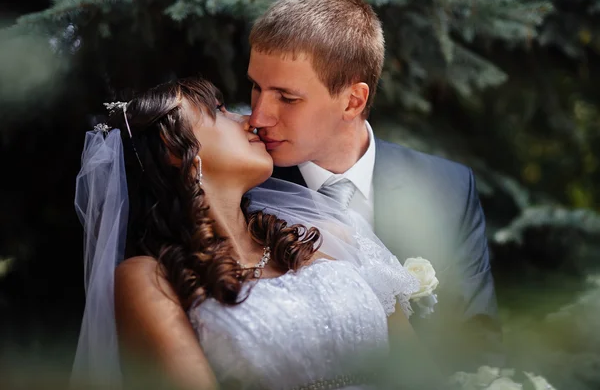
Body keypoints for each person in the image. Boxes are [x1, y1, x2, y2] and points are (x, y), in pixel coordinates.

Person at [72, 77, 441, 390]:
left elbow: (421, 374)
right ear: (174, 146)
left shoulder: (330, 235)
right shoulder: (148, 280)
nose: (249, 120)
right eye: (219, 111)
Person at [247, 0, 504, 371]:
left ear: (352, 101)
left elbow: (476, 347)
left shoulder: (448, 188)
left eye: (286, 97)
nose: (258, 116)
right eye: (256, 87)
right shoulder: (244, 185)